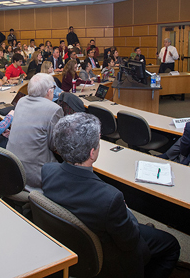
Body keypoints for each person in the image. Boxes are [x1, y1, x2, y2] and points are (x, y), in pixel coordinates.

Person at [42, 113, 180, 278]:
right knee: (172, 245)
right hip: (113, 258)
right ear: (92, 153)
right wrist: (127, 211)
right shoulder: (110, 198)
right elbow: (130, 241)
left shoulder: (47, 171)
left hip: (75, 246)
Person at [6, 73, 63, 190]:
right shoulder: (54, 109)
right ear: (48, 91)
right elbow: (55, 145)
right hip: (35, 174)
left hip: (12, 167)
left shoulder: (21, 101)